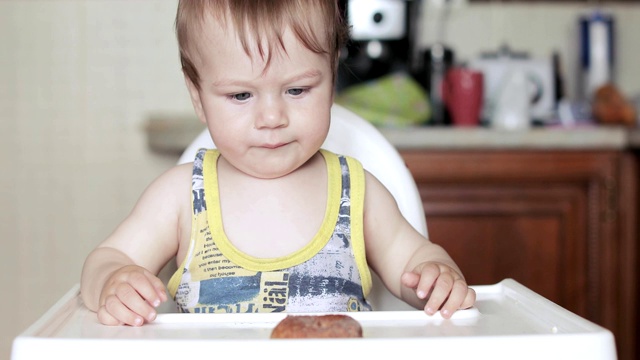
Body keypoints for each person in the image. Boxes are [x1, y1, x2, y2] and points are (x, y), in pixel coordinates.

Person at [80, 0, 475, 326]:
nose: (272, 117)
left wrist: (435, 274)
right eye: (240, 96)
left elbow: (414, 260)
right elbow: (108, 260)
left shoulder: (357, 192)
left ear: (331, 80)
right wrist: (114, 282)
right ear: (197, 96)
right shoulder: (180, 196)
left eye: (298, 89)